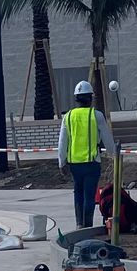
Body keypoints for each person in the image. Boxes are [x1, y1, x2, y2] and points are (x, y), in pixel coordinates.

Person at [57, 80, 114, 229]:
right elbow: (107, 139)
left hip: (74, 164)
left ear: (76, 98)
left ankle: (79, 224)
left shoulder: (68, 116)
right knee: (89, 195)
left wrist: (61, 162)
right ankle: (88, 225)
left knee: (78, 193)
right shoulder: (97, 116)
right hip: (92, 163)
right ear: (90, 98)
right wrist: (113, 154)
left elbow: (62, 142)